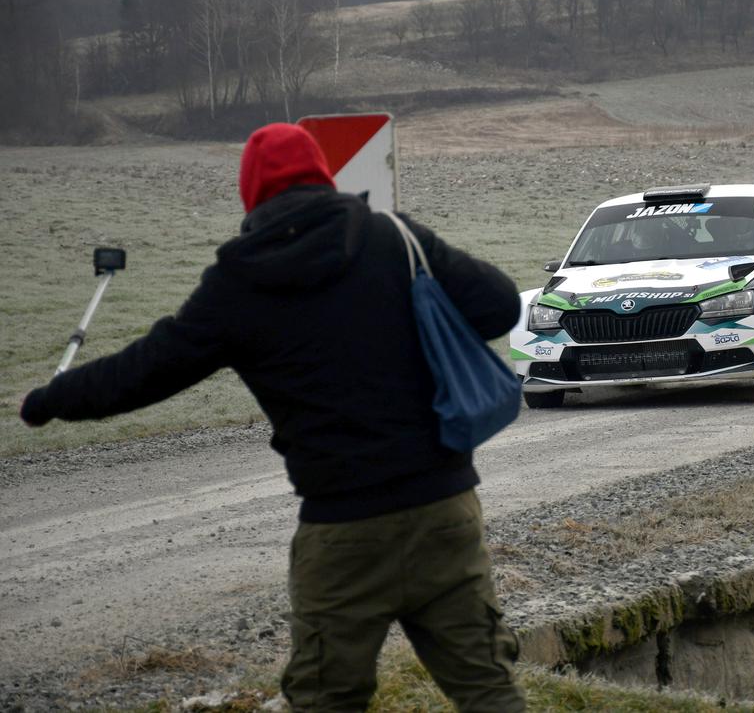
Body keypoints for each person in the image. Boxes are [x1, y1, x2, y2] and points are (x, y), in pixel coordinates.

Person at [20, 123, 527, 712]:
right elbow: (498, 306)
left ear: (251, 196)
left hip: (341, 531)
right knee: (488, 690)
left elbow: (147, 370)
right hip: (443, 510)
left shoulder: (237, 284)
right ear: (324, 176)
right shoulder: (393, 236)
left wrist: (52, 399)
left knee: (324, 699)